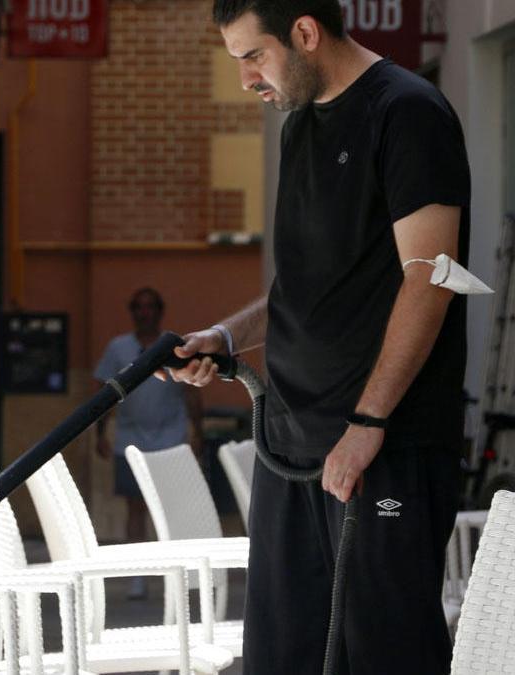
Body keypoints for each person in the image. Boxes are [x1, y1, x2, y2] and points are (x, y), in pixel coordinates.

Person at [170, 2, 471, 673]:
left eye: (254, 56)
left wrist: (368, 421)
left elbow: (432, 277)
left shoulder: (407, 113)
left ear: (305, 33)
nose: (247, 78)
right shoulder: (299, 124)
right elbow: (301, 291)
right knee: (283, 655)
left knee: (384, 652)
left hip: (383, 453)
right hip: (291, 447)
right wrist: (226, 335)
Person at [94, 287, 203, 599]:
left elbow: (193, 391)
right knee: (135, 508)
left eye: (150, 306)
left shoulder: (175, 347)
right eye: (138, 307)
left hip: (171, 437)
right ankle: (139, 576)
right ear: (132, 312)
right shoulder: (118, 348)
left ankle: (176, 574)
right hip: (130, 439)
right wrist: (100, 433)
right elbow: (103, 391)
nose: (144, 313)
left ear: (160, 311)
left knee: (172, 508)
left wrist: (198, 432)